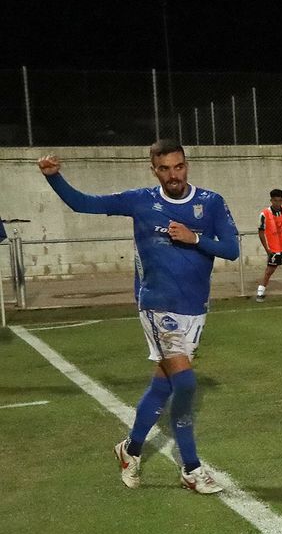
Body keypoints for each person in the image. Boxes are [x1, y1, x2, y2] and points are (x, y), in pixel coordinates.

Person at [37, 142, 240, 495]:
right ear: (153, 170)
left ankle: (130, 450)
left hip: (194, 307)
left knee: (163, 384)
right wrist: (55, 178)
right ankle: (191, 468)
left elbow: (232, 249)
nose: (173, 175)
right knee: (186, 384)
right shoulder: (141, 201)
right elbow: (84, 204)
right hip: (157, 305)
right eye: (165, 169)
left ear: (186, 165)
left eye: (178, 167)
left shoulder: (210, 202)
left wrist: (196, 239)